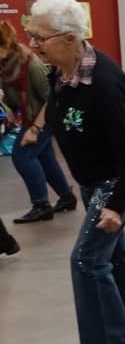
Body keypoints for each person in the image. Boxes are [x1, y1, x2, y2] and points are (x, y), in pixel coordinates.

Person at [27, 0, 125, 344]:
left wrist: (116, 206)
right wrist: (36, 127)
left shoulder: (104, 81)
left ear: (70, 38)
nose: (33, 45)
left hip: (113, 180)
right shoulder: (62, 72)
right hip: (91, 181)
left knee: (87, 260)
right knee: (115, 255)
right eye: (32, 36)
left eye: (41, 38)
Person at [1, 19, 76, 223]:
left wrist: (35, 128)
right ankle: (67, 198)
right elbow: (9, 95)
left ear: (5, 46)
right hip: (28, 116)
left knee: (22, 156)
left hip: (46, 116)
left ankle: (41, 205)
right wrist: (8, 109)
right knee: (45, 157)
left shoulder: (30, 64)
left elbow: (52, 99)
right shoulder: (5, 64)